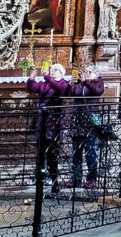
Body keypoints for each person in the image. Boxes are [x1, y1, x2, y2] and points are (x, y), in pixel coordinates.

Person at [26, 62, 69, 195]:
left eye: (56, 70)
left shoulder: (62, 83)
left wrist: (47, 77)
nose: (52, 71)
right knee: (40, 153)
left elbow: (60, 89)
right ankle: (40, 177)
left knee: (52, 153)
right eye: (51, 69)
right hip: (42, 122)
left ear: (61, 73)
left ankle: (54, 181)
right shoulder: (46, 83)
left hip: (54, 123)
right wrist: (31, 79)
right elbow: (35, 88)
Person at [67, 66, 105, 190]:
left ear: (96, 74)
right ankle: (76, 178)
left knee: (90, 153)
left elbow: (97, 91)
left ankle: (91, 179)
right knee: (76, 153)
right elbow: (70, 94)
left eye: (90, 72)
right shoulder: (81, 84)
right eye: (86, 72)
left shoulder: (98, 82)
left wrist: (84, 81)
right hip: (77, 122)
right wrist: (71, 84)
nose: (87, 74)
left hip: (89, 123)